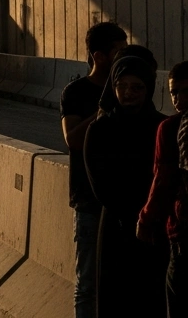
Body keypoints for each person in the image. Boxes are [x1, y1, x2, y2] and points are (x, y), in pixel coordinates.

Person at [85, 50, 167, 316]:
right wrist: (134, 216)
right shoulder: (100, 130)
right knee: (115, 299)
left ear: (149, 88)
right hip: (116, 228)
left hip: (154, 230)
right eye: (122, 86)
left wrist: (150, 216)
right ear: (113, 87)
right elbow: (102, 186)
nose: (129, 93)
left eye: (137, 87)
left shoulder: (161, 128)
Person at [62, 21, 128, 318]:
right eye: (119, 51)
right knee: (87, 283)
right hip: (88, 201)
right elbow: (73, 139)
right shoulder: (76, 92)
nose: (124, 57)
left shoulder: (129, 89)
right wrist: (103, 111)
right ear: (100, 56)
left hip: (126, 203)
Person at [139, 61, 188, 315]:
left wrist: (146, 219)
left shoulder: (170, 128)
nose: (178, 99)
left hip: (182, 232)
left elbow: (162, 179)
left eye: (183, 91)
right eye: (174, 92)